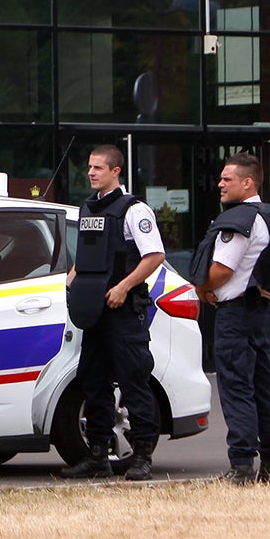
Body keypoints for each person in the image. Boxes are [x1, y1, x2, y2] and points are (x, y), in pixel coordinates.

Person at [59, 144, 166, 481]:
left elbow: (154, 256)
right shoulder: (89, 208)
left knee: (134, 382)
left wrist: (123, 287)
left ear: (116, 171)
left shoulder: (133, 210)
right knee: (92, 382)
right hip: (95, 312)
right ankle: (98, 456)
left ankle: (143, 456)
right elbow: (89, 257)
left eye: (99, 168)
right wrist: (72, 279)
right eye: (90, 167)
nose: (91, 173)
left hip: (124, 311)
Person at [193, 152, 270, 485]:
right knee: (264, 389)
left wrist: (200, 288)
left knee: (236, 389)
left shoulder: (240, 220)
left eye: (226, 179)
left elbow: (220, 271)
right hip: (263, 312)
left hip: (237, 315)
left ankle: (242, 466)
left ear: (247, 183)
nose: (219, 184)